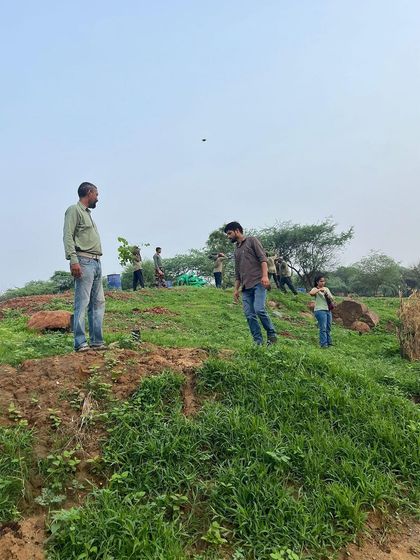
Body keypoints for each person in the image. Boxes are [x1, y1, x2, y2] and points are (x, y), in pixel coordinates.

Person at [63, 182, 106, 352]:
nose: (97, 197)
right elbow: (67, 235)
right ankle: (80, 343)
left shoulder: (87, 214)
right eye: (96, 194)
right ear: (89, 193)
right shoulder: (74, 210)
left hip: (96, 262)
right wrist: (73, 260)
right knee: (82, 302)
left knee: (98, 302)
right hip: (84, 261)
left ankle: (97, 341)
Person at [224, 221, 277, 345]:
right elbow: (237, 272)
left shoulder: (252, 240)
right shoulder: (236, 250)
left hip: (258, 283)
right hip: (245, 288)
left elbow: (263, 259)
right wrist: (236, 290)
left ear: (237, 230)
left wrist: (265, 276)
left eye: (229, 233)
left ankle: (272, 335)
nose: (228, 236)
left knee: (259, 310)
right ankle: (258, 341)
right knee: (249, 315)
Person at [309, 275, 334, 348]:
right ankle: (323, 344)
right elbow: (311, 293)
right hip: (320, 310)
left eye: (324, 281)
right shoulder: (315, 289)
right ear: (317, 282)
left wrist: (326, 293)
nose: (323, 283)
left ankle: (329, 343)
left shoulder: (326, 288)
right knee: (323, 328)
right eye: (321, 281)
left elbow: (332, 298)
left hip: (328, 310)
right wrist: (320, 290)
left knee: (328, 328)